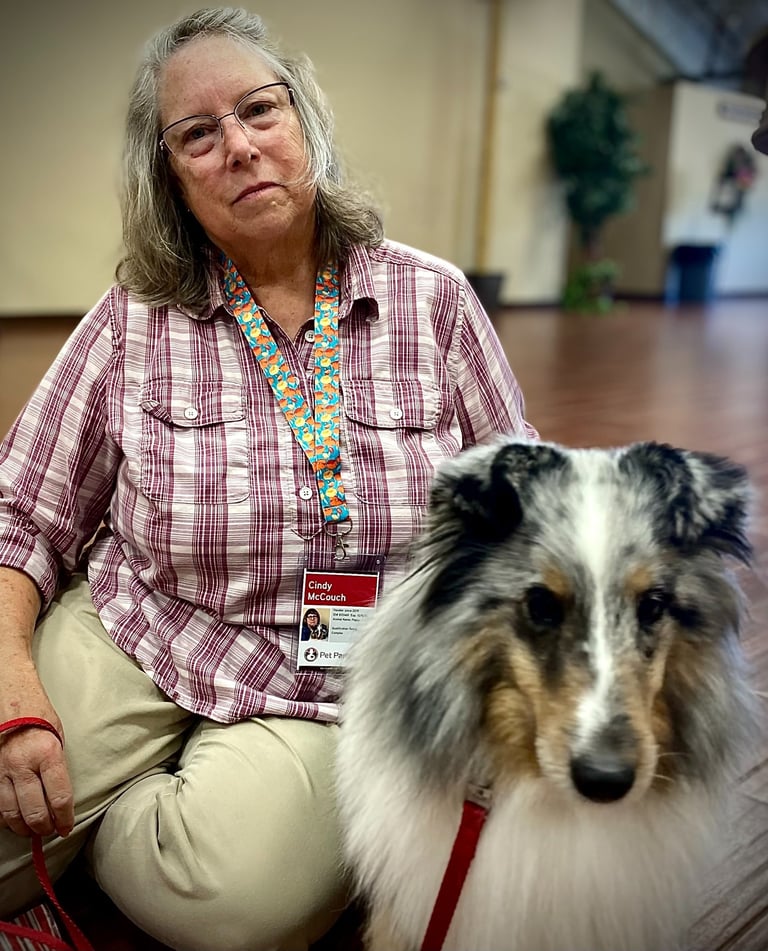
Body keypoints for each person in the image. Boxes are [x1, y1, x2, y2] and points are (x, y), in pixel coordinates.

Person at [0, 7, 536, 950]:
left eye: (259, 111)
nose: (239, 147)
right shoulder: (135, 318)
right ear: (168, 173)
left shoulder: (434, 300)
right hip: (145, 622)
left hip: (333, 670)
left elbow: (527, 509)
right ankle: (91, 804)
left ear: (306, 124)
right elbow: (21, 512)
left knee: (239, 904)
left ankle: (94, 826)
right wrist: (12, 684)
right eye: (197, 134)